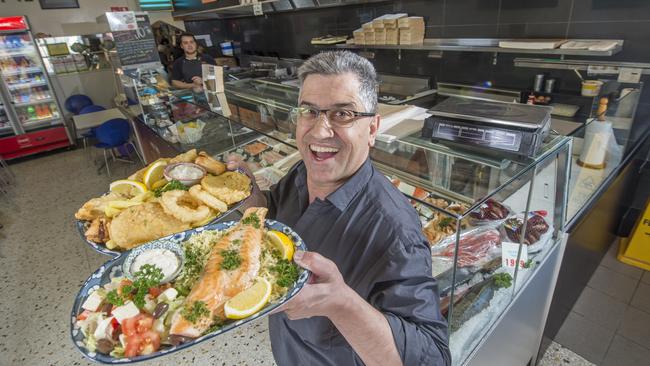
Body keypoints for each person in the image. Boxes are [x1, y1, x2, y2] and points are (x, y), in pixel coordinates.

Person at [229, 51, 450, 366]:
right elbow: (274, 219)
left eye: (342, 114)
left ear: (372, 129)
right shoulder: (301, 173)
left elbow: (433, 358)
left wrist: (341, 304)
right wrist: (246, 193)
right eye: (309, 111)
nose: (319, 132)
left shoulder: (395, 231)